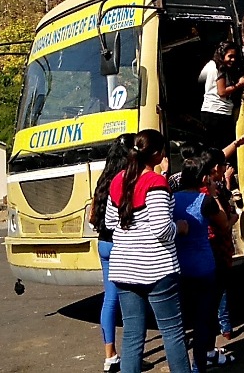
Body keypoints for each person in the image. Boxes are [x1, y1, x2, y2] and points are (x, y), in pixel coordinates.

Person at [105, 129, 192, 373]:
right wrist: (180, 227)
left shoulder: (118, 180)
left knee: (132, 335)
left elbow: (110, 223)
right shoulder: (155, 182)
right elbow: (162, 229)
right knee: (172, 332)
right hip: (156, 267)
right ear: (156, 154)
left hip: (124, 267)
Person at [173, 157, 228, 373]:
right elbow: (224, 222)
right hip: (204, 266)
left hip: (178, 266)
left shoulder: (172, 199)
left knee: (180, 321)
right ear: (203, 178)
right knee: (202, 320)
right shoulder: (205, 201)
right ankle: (199, 366)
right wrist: (215, 195)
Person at [88, 132, 136, 373]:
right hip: (120, 244)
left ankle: (110, 355)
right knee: (130, 301)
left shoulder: (103, 180)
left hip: (103, 244)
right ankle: (131, 356)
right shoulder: (126, 180)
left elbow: (92, 217)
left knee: (109, 299)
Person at [198, 147, 241, 366]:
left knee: (207, 306)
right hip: (215, 250)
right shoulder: (208, 191)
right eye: (223, 165)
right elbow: (223, 222)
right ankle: (207, 353)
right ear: (216, 168)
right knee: (211, 305)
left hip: (206, 253)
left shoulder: (194, 184)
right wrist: (233, 217)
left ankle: (207, 351)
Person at [199, 41, 244, 150]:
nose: (233, 60)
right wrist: (239, 84)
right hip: (218, 113)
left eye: (234, 57)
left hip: (209, 111)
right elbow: (222, 92)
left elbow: (201, 79)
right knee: (222, 148)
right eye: (230, 56)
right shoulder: (220, 68)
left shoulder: (210, 65)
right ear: (222, 54)